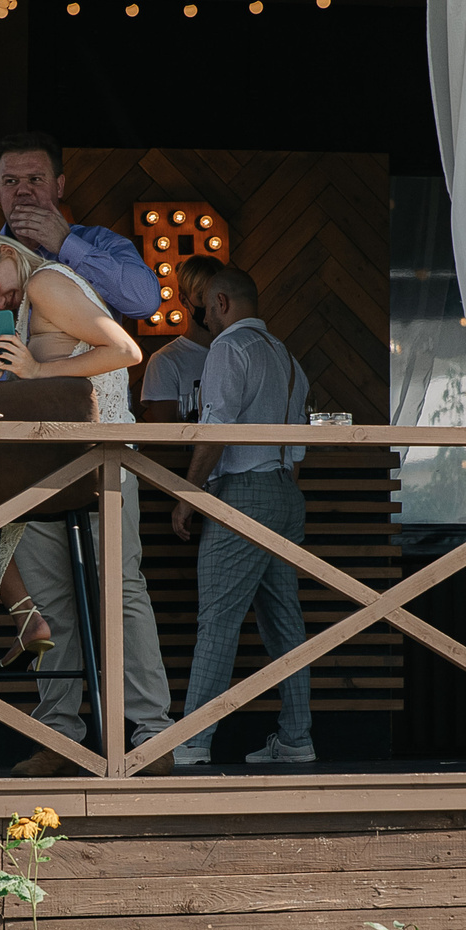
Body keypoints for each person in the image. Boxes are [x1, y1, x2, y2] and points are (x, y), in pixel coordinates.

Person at [0, 229, 174, 776]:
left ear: (9, 255)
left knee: (119, 593)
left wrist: (35, 371)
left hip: (100, 459)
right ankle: (60, 737)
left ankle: (155, 735)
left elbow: (125, 350)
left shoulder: (47, 282)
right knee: (53, 605)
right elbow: (34, 395)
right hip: (46, 467)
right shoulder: (24, 303)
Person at [167, 267, 314, 768]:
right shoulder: (288, 357)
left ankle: (191, 741)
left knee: (218, 622)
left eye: (205, 306)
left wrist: (188, 494)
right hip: (283, 491)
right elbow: (296, 449)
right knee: (285, 622)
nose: (202, 317)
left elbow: (216, 427)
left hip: (241, 492)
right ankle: (296, 737)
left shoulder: (230, 349)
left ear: (223, 302)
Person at [0, 131, 163, 381]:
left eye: (35, 179)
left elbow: (145, 303)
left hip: (87, 407)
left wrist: (66, 245)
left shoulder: (99, 243)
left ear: (59, 186)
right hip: (13, 410)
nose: (23, 191)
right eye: (10, 181)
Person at [142, 254, 225, 417]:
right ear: (184, 300)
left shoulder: (236, 351)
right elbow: (168, 436)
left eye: (217, 296)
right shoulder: (165, 361)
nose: (211, 304)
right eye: (202, 297)